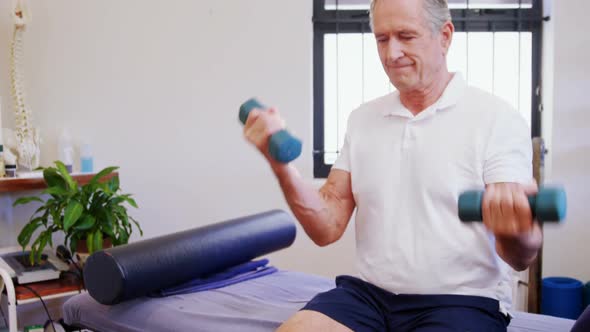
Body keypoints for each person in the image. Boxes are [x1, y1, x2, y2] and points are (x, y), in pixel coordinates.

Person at [243, 0, 542, 331]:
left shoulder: (497, 118)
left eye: (405, 36)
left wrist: (517, 229)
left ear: (444, 36)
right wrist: (281, 165)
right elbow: (326, 227)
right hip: (369, 296)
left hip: (462, 299)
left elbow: (520, 256)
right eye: (382, 39)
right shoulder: (363, 119)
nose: (391, 53)